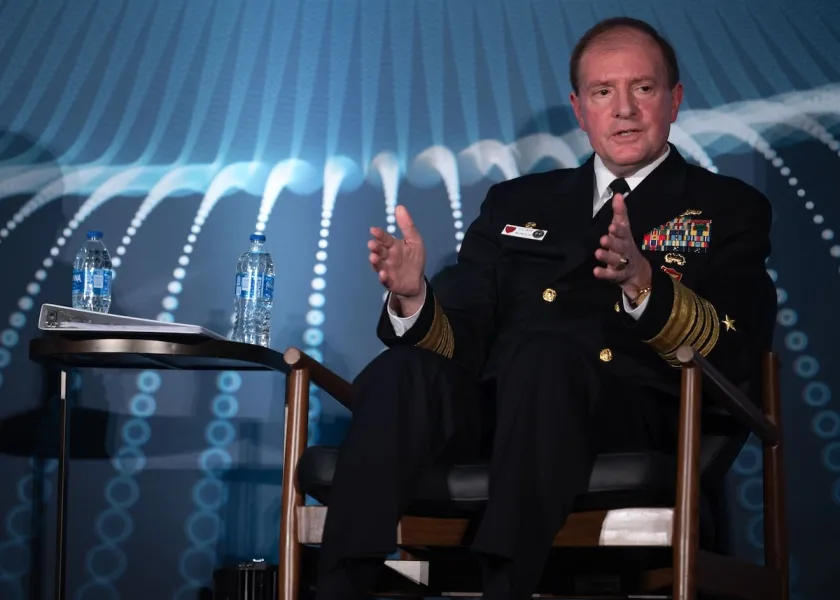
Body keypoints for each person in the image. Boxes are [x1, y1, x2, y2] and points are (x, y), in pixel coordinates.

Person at [314, 16, 777, 600]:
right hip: (500, 415)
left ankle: (505, 582)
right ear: (579, 109)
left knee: (546, 357)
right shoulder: (517, 200)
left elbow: (736, 343)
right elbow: (466, 329)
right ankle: (339, 583)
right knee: (400, 371)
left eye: (643, 88)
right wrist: (414, 297)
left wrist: (644, 288)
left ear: (675, 100)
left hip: (627, 419)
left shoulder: (727, 208)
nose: (624, 110)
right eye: (603, 92)